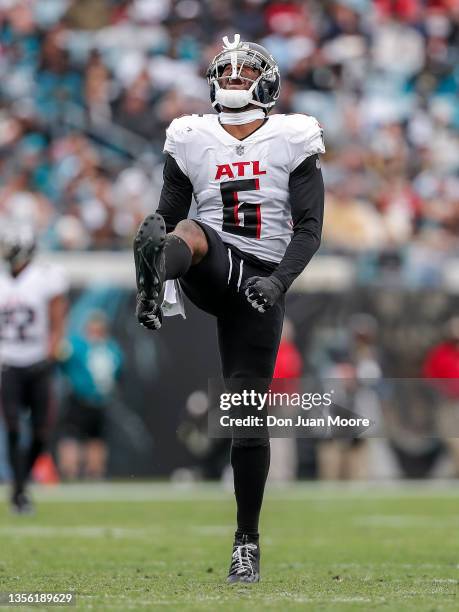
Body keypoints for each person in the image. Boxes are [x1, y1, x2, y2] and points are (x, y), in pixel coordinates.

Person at [133, 34, 325, 583]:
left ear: (265, 83)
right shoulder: (191, 135)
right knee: (189, 230)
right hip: (210, 265)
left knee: (247, 416)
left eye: (244, 73)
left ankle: (246, 542)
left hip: (261, 284)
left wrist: (281, 282)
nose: (234, 80)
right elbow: (166, 218)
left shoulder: (294, 136)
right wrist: (157, 249)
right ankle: (151, 283)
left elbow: (310, 229)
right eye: (228, 72)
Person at [0, 225, 68, 513]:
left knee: (41, 432)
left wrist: (53, 344)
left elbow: (57, 314)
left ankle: (20, 484)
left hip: (38, 363)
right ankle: (18, 490)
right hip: (8, 363)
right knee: (14, 427)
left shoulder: (44, 277)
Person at [57, 311, 123, 480]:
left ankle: (82, 473)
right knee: (86, 439)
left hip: (89, 399)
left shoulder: (80, 346)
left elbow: (61, 360)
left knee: (85, 439)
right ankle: (84, 473)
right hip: (91, 399)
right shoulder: (112, 349)